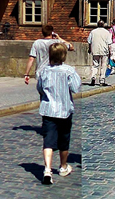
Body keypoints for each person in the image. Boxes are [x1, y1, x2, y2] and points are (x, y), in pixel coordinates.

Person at [36, 41, 81, 184]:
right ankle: (63, 167)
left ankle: (47, 170)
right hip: (64, 110)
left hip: (48, 110)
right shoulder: (68, 70)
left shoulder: (44, 70)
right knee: (64, 140)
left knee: (48, 140)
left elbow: (40, 88)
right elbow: (75, 87)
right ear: (63, 55)